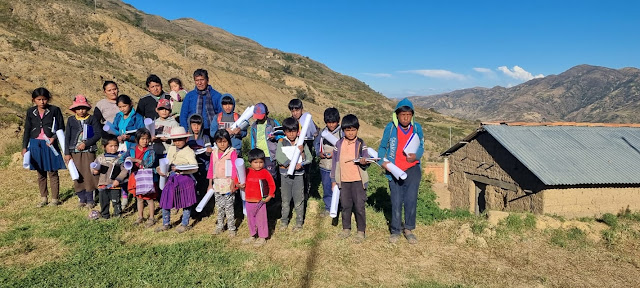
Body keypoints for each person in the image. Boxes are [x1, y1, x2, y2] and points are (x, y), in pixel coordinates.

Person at [377, 98, 425, 244]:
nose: (405, 117)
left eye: (408, 114)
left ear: (412, 115)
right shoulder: (390, 128)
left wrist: (416, 156)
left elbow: (421, 146)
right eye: (402, 114)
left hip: (413, 170)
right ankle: (396, 230)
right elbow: (382, 148)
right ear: (396, 115)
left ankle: (409, 229)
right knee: (396, 201)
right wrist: (382, 162)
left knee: (411, 200)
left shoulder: (416, 128)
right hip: (395, 171)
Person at [22, 87, 66, 207]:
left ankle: (55, 198)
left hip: (50, 143)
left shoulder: (54, 110)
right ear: (34, 100)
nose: (42, 102)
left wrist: (54, 138)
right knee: (40, 172)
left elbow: (61, 126)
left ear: (48, 99)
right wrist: (24, 146)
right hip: (35, 143)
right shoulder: (31, 112)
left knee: (52, 171)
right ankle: (43, 197)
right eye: (39, 99)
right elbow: (27, 129)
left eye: (44, 99)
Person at [330, 114, 370, 243]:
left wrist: (364, 162)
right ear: (343, 130)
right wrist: (333, 180)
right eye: (348, 130)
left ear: (357, 129)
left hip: (358, 181)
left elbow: (366, 159)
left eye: (353, 130)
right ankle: (346, 228)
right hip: (344, 181)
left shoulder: (361, 143)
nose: (351, 133)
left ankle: (360, 231)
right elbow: (335, 162)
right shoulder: (338, 144)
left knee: (359, 206)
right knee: (346, 206)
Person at [156, 127, 198, 233]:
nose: (177, 142)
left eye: (180, 140)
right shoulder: (171, 148)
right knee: (166, 200)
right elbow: (167, 161)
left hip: (184, 179)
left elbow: (195, 167)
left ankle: (185, 223)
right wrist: (160, 168)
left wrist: (182, 169)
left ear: (185, 139)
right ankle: (166, 223)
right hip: (172, 178)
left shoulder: (189, 152)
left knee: (186, 202)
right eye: (175, 140)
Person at [64, 95, 102, 209]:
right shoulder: (71, 120)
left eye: (83, 108)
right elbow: (67, 137)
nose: (81, 110)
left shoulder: (92, 119)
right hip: (74, 152)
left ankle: (90, 199)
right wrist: (67, 153)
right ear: (74, 109)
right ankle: (82, 198)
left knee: (89, 174)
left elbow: (98, 134)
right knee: (78, 174)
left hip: (88, 151)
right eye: (79, 108)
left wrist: (86, 144)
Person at [276, 117, 312, 232]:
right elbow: (279, 157)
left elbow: (309, 158)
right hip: (285, 175)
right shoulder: (281, 142)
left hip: (298, 176)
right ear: (285, 132)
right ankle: (284, 221)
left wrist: (301, 158)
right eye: (288, 131)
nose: (291, 134)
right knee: (285, 200)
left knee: (299, 199)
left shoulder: (301, 143)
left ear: (297, 131)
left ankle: (299, 223)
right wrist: (289, 164)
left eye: (294, 131)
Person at [119, 128, 157, 227]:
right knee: (139, 198)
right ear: (137, 139)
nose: (145, 141)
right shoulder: (132, 149)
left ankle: (152, 218)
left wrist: (136, 160)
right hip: (135, 175)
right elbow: (121, 159)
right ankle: (140, 216)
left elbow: (149, 163)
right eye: (142, 139)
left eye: (147, 139)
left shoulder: (151, 151)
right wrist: (125, 163)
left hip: (146, 176)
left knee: (149, 198)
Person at [238, 148, 275, 247]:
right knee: (251, 219)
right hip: (249, 201)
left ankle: (262, 237)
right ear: (250, 162)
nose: (258, 164)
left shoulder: (265, 173)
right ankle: (252, 235)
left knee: (261, 219)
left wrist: (270, 196)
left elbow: (272, 185)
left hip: (261, 201)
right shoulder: (246, 171)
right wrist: (238, 185)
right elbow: (238, 180)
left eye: (261, 162)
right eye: (255, 162)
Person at [207, 129, 238, 237]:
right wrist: (210, 184)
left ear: (228, 141)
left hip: (228, 182)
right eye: (219, 142)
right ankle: (219, 226)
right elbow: (211, 168)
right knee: (219, 207)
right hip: (217, 183)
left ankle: (231, 228)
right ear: (216, 142)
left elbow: (235, 168)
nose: (222, 144)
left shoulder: (232, 152)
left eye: (224, 141)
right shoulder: (214, 153)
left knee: (229, 207)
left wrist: (233, 182)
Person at [314, 107, 342, 217]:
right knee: (327, 187)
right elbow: (316, 144)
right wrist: (318, 153)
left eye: (333, 122)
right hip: (324, 165)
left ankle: (339, 207)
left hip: (338, 167)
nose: (331, 125)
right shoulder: (323, 132)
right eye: (328, 122)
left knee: (339, 187)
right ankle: (328, 208)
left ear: (338, 120)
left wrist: (335, 154)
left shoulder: (342, 133)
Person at [288, 99, 318, 199]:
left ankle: (306, 193)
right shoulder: (291, 121)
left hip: (307, 147)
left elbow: (315, 131)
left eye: (297, 110)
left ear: (302, 109)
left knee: (306, 170)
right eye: (293, 111)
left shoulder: (307, 119)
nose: (295, 113)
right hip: (294, 148)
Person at [93, 135, 128, 219]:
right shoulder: (100, 158)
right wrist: (95, 171)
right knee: (103, 201)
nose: (114, 148)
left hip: (115, 184)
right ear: (104, 147)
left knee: (116, 201)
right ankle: (105, 215)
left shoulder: (120, 158)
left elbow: (124, 170)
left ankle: (117, 215)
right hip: (103, 184)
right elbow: (93, 167)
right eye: (111, 146)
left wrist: (118, 179)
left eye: (116, 146)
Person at [179, 69, 222, 135]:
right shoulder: (190, 96)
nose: (199, 83)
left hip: (213, 131)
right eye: (197, 80)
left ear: (207, 80)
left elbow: (221, 115)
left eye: (202, 80)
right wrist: (185, 130)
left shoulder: (216, 96)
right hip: (193, 132)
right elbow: (183, 115)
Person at [249, 103, 282, 180]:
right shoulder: (254, 126)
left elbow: (282, 135)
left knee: (271, 176)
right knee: (259, 176)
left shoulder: (273, 123)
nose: (259, 119)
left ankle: (272, 191)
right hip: (259, 155)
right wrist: (253, 153)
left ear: (267, 113)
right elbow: (253, 140)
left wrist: (275, 137)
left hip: (270, 155)